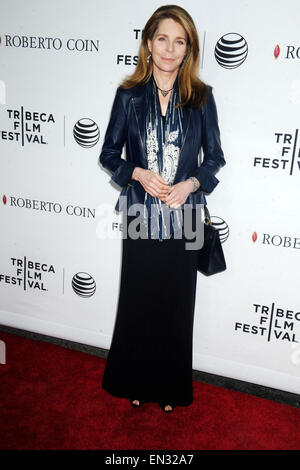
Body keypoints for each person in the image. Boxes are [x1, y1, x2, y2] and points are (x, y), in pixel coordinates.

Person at [99, 4, 226, 413]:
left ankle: (170, 387)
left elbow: (215, 158)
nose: (170, 49)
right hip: (140, 214)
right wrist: (136, 172)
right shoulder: (128, 97)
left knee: (175, 306)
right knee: (139, 301)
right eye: (162, 39)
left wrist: (190, 183)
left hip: (186, 218)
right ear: (148, 44)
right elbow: (108, 154)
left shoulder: (202, 98)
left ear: (188, 49)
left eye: (179, 41)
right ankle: (136, 381)